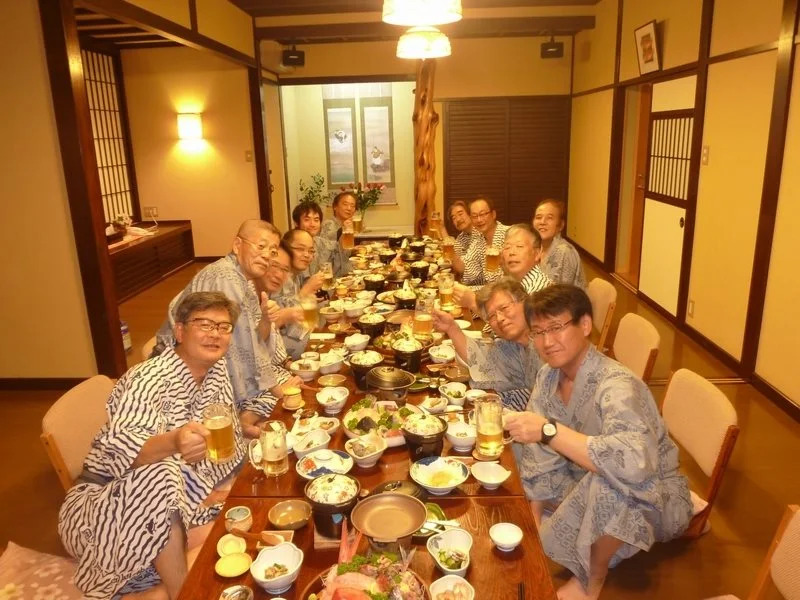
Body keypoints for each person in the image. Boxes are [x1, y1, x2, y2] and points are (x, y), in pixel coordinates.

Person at [505, 285, 692, 600]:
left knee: (610, 478)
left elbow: (634, 467)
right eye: (538, 332)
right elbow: (538, 454)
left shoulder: (617, 385)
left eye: (556, 327)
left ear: (585, 325)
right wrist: (533, 520)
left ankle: (590, 582)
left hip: (652, 496)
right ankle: (566, 527)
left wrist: (549, 431)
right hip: (579, 478)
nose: (547, 342)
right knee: (517, 440)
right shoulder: (548, 376)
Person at [60, 292, 247, 600]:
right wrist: (174, 440)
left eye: (223, 327)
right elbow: (123, 452)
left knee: (238, 531)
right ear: (179, 331)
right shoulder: (146, 379)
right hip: (106, 505)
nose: (215, 333)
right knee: (161, 473)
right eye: (204, 324)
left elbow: (221, 450)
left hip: (180, 502)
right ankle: (181, 593)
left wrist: (215, 493)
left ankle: (156, 590)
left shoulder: (216, 371)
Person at [153, 220, 286, 434]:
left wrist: (265, 319)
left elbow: (253, 340)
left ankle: (243, 420)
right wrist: (276, 390)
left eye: (272, 251)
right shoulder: (225, 276)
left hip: (214, 362)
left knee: (276, 387)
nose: (266, 256)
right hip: (183, 370)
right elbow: (234, 347)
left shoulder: (244, 281)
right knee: (273, 396)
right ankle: (240, 423)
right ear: (237, 245)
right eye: (261, 246)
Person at [433, 278, 541, 412]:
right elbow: (483, 360)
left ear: (525, 302)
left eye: (504, 308)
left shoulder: (546, 340)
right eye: (492, 316)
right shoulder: (515, 345)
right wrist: (451, 328)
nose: (500, 318)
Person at [454, 223, 552, 314]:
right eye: (507, 247)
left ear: (537, 253)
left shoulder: (537, 289)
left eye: (519, 246)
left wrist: (472, 302)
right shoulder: (516, 282)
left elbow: (512, 324)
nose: (511, 252)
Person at [254, 241, 307, 387]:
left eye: (284, 269)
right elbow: (249, 357)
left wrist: (289, 364)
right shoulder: (244, 296)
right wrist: (278, 388)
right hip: (264, 388)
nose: (278, 274)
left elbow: (273, 349)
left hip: (281, 373)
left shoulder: (265, 294)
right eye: (274, 266)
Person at [272, 229, 321, 358]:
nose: (307, 255)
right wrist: (306, 290)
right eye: (300, 249)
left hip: (298, 332)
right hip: (278, 345)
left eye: (311, 251)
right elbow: (280, 320)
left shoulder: (295, 274)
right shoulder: (277, 277)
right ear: (286, 250)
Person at [532, 199, 587, 288]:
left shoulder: (564, 251)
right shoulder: (536, 246)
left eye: (549, 218)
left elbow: (563, 293)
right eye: (538, 217)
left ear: (561, 225)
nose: (542, 222)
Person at [457, 197, 509, 286]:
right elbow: (466, 267)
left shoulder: (510, 234)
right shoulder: (479, 241)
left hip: (510, 290)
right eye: (474, 216)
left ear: (493, 214)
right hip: (491, 288)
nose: (479, 220)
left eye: (483, 214)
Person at [292, 200, 351, 277]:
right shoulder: (292, 247)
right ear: (296, 223)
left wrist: (345, 233)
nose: (312, 224)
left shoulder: (320, 242)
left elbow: (338, 252)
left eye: (316, 220)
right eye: (307, 220)